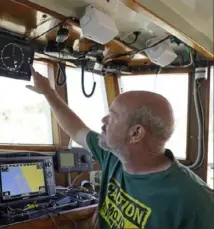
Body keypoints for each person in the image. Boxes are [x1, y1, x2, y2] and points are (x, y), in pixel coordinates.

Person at [28, 66, 214, 229]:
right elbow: (76, 130)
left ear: (136, 133)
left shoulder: (197, 203)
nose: (103, 121)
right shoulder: (113, 156)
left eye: (112, 116)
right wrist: (48, 93)